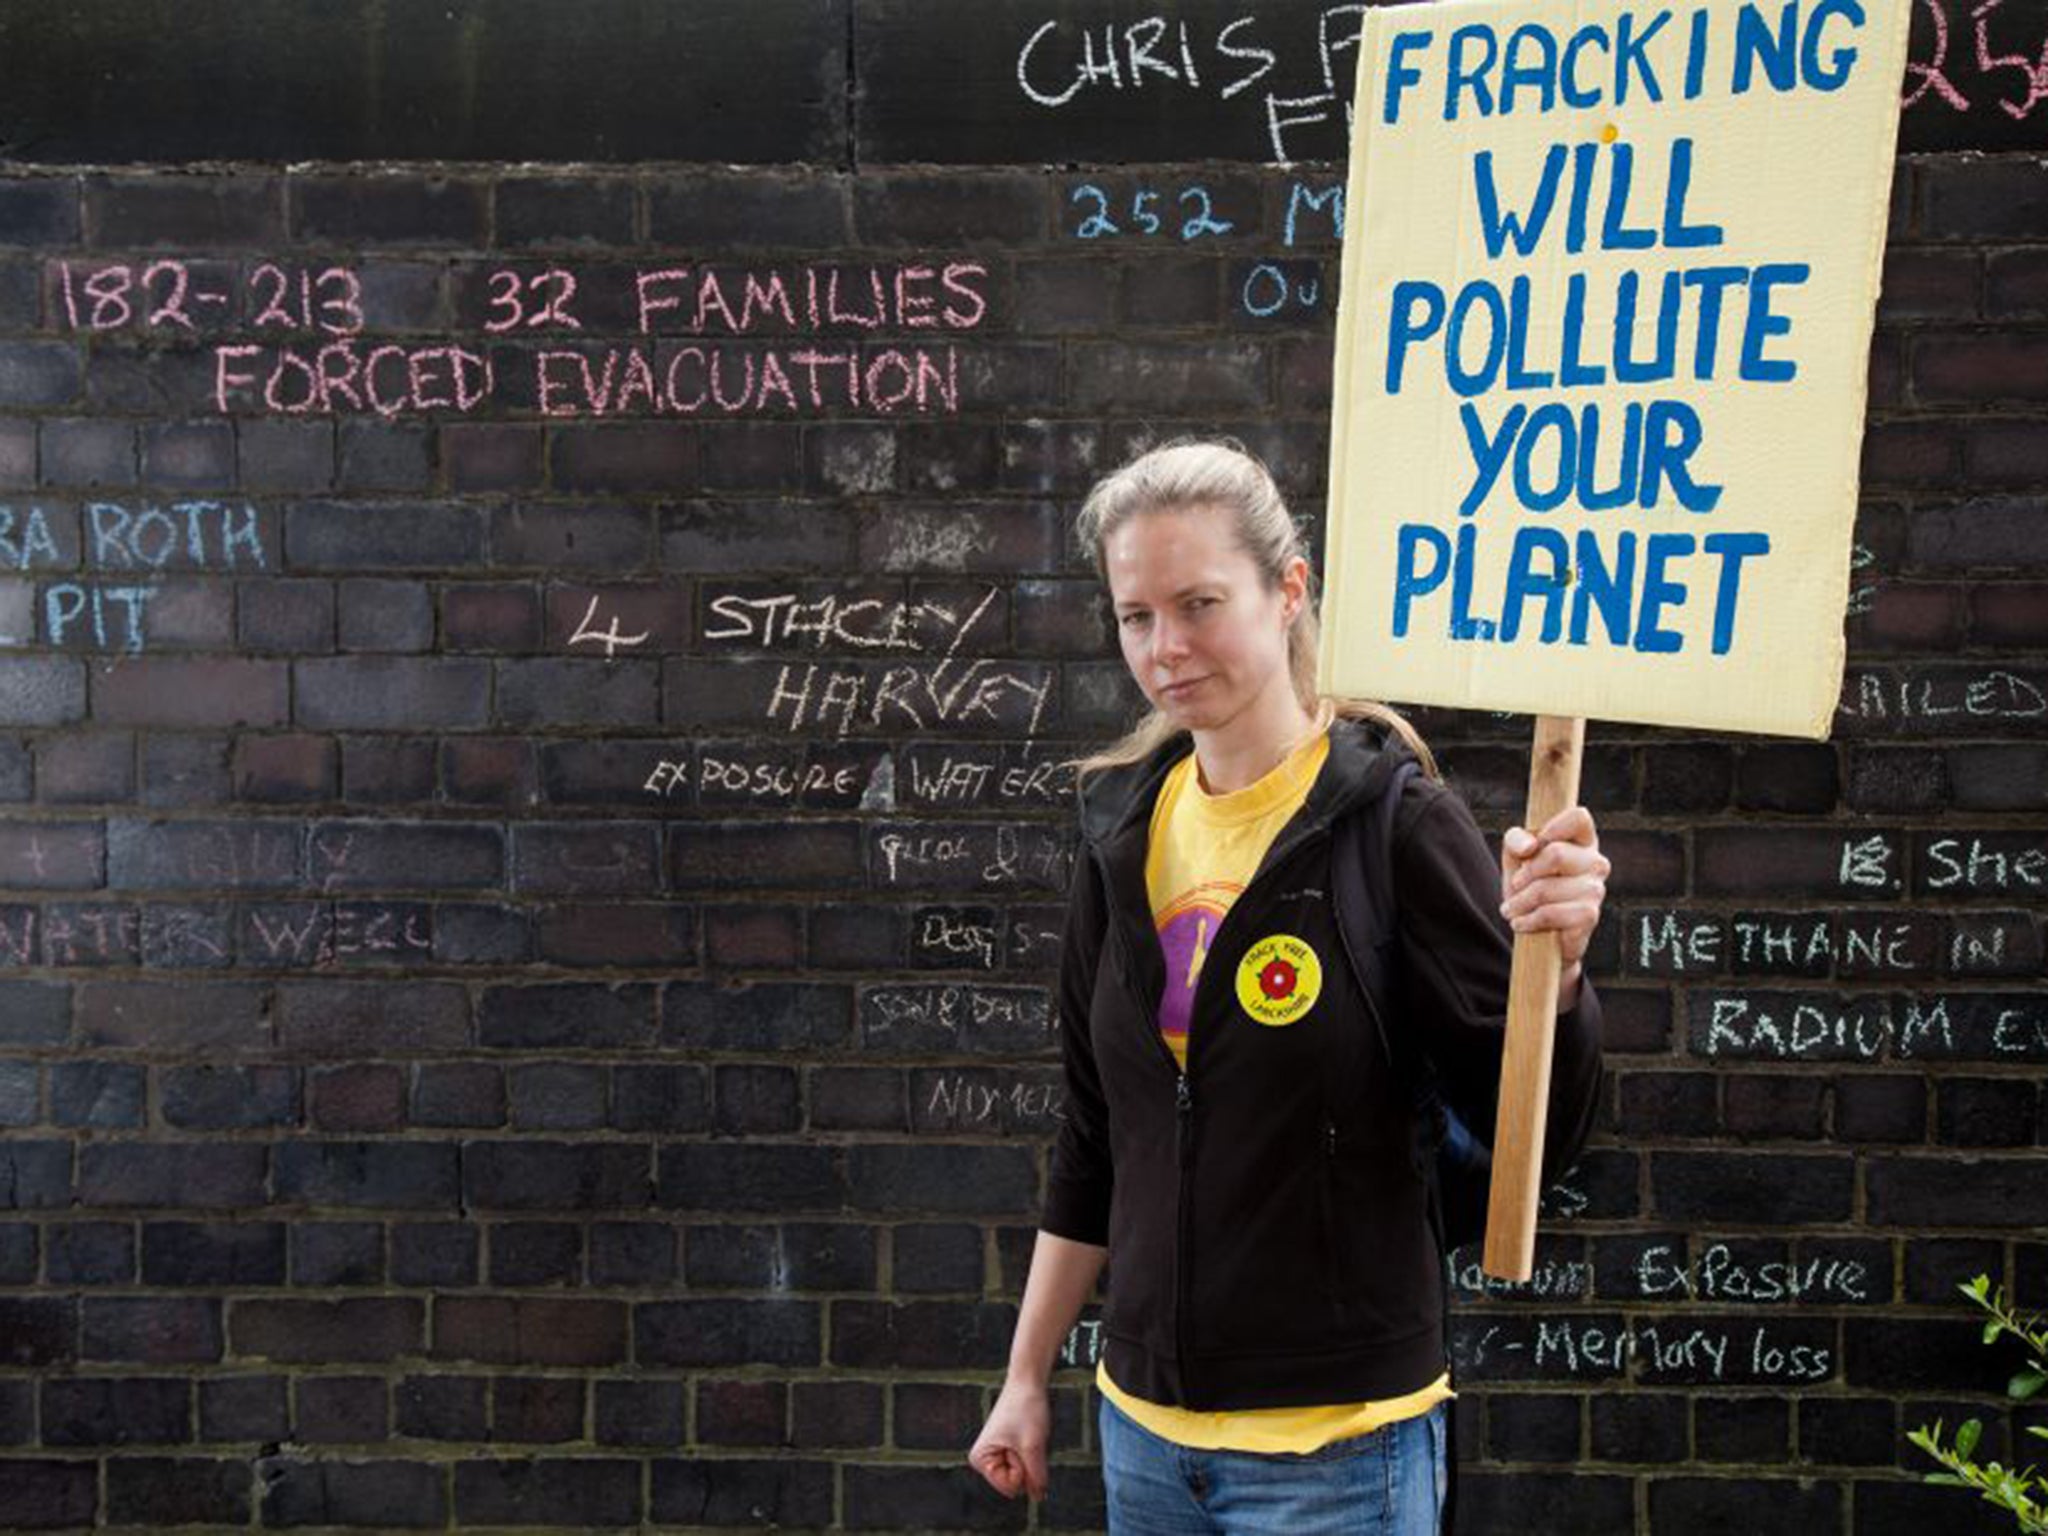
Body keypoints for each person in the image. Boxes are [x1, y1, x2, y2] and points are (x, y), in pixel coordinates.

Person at [967, 440, 1608, 1534]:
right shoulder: (1122, 833)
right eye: (1134, 616)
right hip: (1144, 1440)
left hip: (1339, 1455)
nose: (1164, 648)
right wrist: (1026, 1378)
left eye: (1199, 602)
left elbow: (1534, 1133)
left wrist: (1560, 963)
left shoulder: (1394, 824)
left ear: (1288, 590)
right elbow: (1095, 1136)